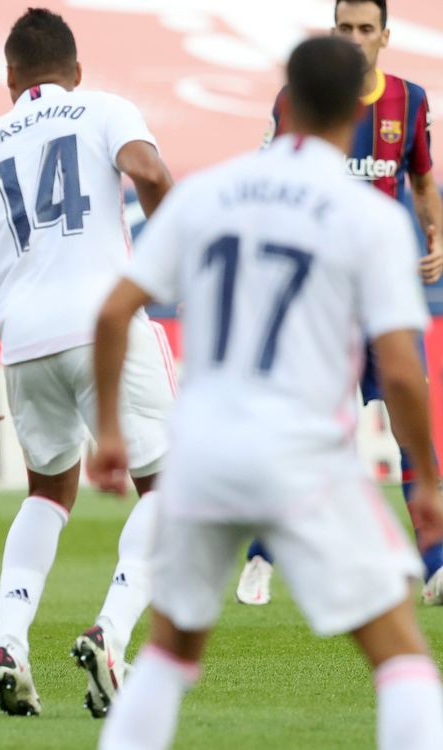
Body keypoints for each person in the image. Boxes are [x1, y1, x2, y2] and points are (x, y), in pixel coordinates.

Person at [91, 36, 443, 749]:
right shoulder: (370, 218)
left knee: (167, 654)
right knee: (402, 654)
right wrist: (430, 481)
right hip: (302, 456)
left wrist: (111, 433)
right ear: (356, 110)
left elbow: (113, 309)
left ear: (286, 98)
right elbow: (402, 371)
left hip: (201, 453)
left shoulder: (209, 193)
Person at [0, 8, 175, 718]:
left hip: (23, 344)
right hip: (107, 328)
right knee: (173, 490)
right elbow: (148, 169)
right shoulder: (103, 108)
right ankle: (111, 634)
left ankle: (10, 641)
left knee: (47, 493)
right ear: (77, 71)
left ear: (8, 78)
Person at [238, 0, 443, 607]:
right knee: (308, 435)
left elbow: (423, 183)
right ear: (332, 33)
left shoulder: (409, 102)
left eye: (364, 29)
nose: (354, 39)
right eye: (344, 28)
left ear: (385, 36)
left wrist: (437, 238)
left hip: (383, 293)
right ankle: (260, 558)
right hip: (316, 301)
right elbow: (268, 181)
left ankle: (435, 564)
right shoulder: (297, 100)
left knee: (414, 428)